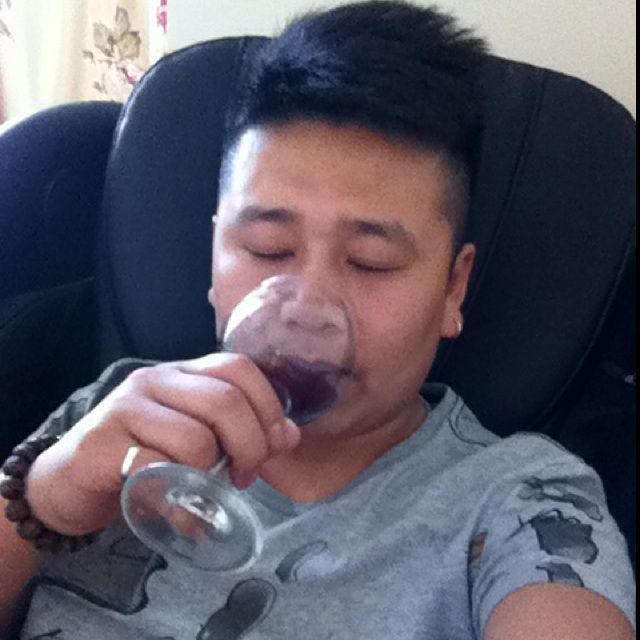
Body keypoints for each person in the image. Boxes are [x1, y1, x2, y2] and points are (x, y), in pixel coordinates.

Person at [0, 1, 635, 638]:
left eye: (370, 262)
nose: (304, 307)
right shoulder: (116, 410)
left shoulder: (523, 500)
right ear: (215, 257)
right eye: (267, 250)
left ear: (452, 288)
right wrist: (46, 501)